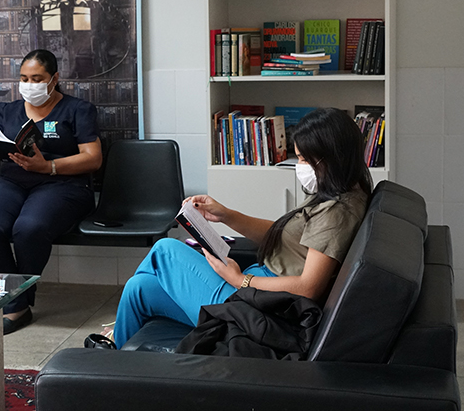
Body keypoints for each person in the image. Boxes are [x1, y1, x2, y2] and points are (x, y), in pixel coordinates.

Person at [109, 107, 371, 348]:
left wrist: (239, 280)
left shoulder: (338, 212)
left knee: (165, 249)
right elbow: (283, 237)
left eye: (304, 159)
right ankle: (113, 369)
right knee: (139, 288)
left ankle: (108, 357)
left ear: (331, 158)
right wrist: (226, 215)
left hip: (259, 308)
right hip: (255, 293)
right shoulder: (337, 190)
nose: (299, 166)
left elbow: (308, 288)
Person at [0, 49, 103, 334]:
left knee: (29, 227)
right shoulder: (6, 111)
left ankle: (15, 303)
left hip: (62, 184)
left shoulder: (78, 109)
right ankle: (17, 305)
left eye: (37, 78)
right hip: (12, 181)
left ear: (54, 78)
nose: (29, 84)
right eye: (24, 78)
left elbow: (93, 158)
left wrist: (48, 167)